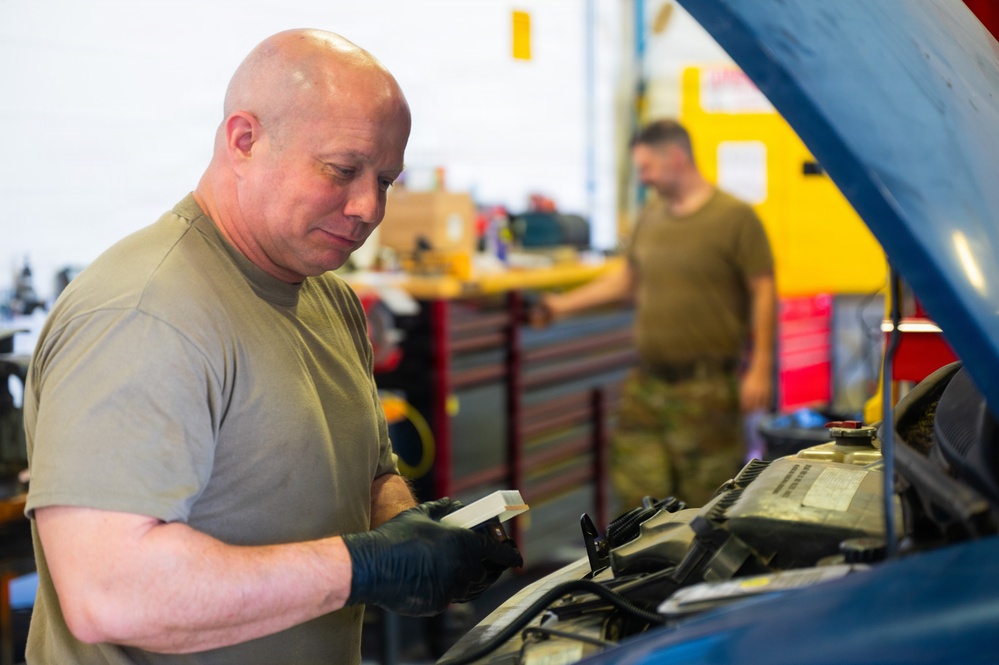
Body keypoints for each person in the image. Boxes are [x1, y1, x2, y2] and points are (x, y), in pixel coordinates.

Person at [23, 29, 521, 664]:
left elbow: (368, 473)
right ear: (244, 141)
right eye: (342, 170)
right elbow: (110, 594)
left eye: (386, 180)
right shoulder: (145, 313)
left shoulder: (329, 299)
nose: (369, 207)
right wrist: (367, 567)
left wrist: (410, 531)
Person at [535, 119, 776, 509]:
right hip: (647, 386)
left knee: (706, 508)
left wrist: (761, 365)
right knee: (639, 506)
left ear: (677, 158)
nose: (643, 178)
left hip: (707, 391)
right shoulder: (651, 217)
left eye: (647, 168)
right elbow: (626, 280)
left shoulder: (735, 218)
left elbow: (764, 289)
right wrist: (560, 305)